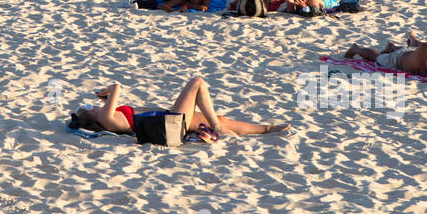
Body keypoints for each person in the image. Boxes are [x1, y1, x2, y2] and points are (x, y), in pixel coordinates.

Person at [69, 77, 288, 140]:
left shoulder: (112, 114)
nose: (95, 106)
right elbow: (117, 86)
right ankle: (218, 129)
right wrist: (105, 92)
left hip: (169, 120)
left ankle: (266, 129)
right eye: (90, 108)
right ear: (91, 115)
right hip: (170, 124)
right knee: (198, 82)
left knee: (218, 117)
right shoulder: (107, 119)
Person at [344, 31, 427, 77]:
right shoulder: (426, 52)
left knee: (407, 51)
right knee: (376, 57)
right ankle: (356, 49)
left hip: (410, 53)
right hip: (398, 60)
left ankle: (392, 46)